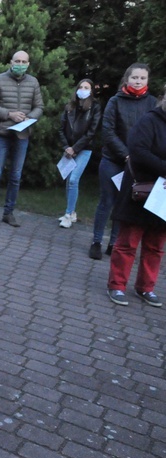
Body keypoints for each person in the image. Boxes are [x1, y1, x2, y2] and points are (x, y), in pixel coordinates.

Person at [89, 63, 158, 259]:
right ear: (127, 79)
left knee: (124, 204)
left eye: (142, 78)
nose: (138, 81)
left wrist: (140, 157)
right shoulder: (115, 101)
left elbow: (153, 133)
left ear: (147, 81)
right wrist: (126, 154)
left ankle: (114, 242)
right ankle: (96, 241)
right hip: (113, 160)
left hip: (138, 164)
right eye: (134, 77)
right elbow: (108, 132)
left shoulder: (152, 103)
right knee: (107, 201)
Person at [106, 92, 166, 307]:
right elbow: (138, 152)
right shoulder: (149, 120)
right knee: (128, 242)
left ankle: (146, 287)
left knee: (156, 245)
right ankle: (117, 285)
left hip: (163, 196)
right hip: (141, 190)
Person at [0, 50, 44, 227]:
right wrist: (9, 114)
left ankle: (9, 213)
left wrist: (29, 117)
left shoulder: (33, 82)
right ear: (10, 62)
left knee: (16, 176)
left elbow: (39, 106)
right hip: (1, 134)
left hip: (22, 135)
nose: (20, 64)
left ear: (28, 64)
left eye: (24, 61)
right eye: (17, 61)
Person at [57, 79, 101, 228]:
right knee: (69, 180)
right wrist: (66, 147)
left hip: (84, 149)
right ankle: (71, 212)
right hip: (68, 149)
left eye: (86, 87)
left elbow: (91, 132)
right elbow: (61, 129)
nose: (83, 89)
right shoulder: (70, 107)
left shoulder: (95, 107)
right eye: (80, 87)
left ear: (91, 91)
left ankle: (68, 214)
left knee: (74, 179)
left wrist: (75, 148)